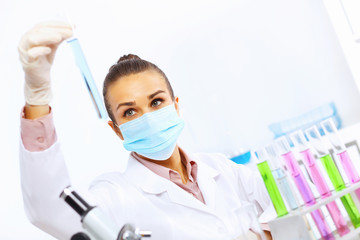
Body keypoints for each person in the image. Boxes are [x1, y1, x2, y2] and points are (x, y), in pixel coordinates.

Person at [18, 21, 274, 240]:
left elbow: (288, 200)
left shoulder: (222, 170)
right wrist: (37, 100)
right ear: (117, 130)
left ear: (175, 106)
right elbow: (52, 210)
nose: (148, 118)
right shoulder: (116, 194)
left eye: (156, 102)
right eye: (130, 112)